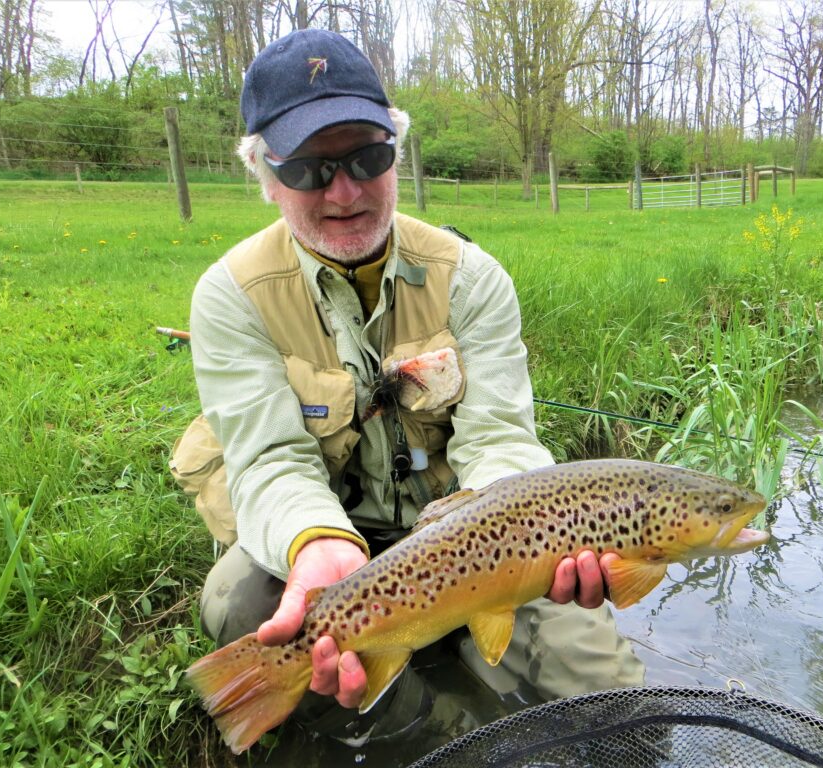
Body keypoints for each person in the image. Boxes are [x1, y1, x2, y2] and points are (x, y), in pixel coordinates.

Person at [182, 27, 644, 748]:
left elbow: (500, 440)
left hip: (482, 539)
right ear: (264, 173)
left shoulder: (472, 276)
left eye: (369, 156)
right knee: (238, 600)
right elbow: (269, 462)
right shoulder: (231, 297)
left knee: (622, 712)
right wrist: (317, 548)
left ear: (397, 150)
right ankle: (435, 738)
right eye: (309, 169)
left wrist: (532, 541)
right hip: (336, 547)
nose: (345, 190)